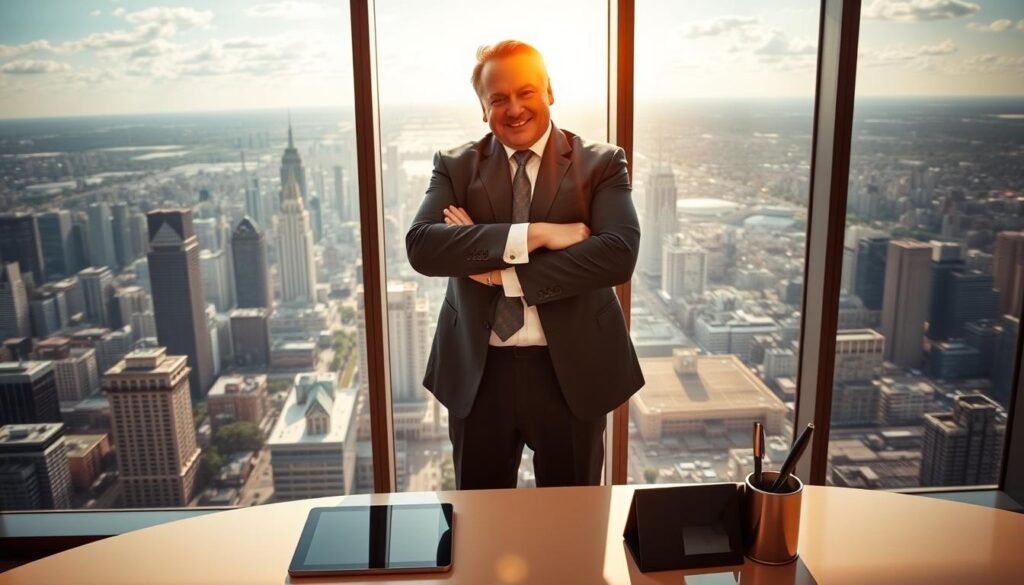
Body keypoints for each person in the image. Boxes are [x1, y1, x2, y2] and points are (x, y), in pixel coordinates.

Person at [406, 40, 644, 489]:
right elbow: (423, 247)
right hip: (480, 374)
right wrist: (538, 234)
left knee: (573, 525)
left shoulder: (601, 164)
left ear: (550, 92)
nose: (514, 108)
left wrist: (500, 272)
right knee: (479, 523)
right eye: (498, 99)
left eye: (526, 92)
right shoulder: (456, 166)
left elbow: (617, 254)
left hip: (571, 374)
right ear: (483, 108)